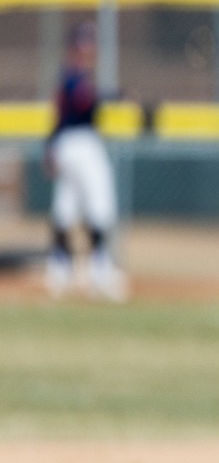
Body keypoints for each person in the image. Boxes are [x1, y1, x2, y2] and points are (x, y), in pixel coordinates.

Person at [44, 22, 126, 302]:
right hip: (81, 143)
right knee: (99, 206)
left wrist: (50, 147)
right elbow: (84, 101)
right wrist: (116, 95)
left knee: (66, 207)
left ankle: (58, 270)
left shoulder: (69, 76)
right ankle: (99, 271)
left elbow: (57, 116)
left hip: (66, 145)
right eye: (84, 45)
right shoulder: (73, 77)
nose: (88, 50)